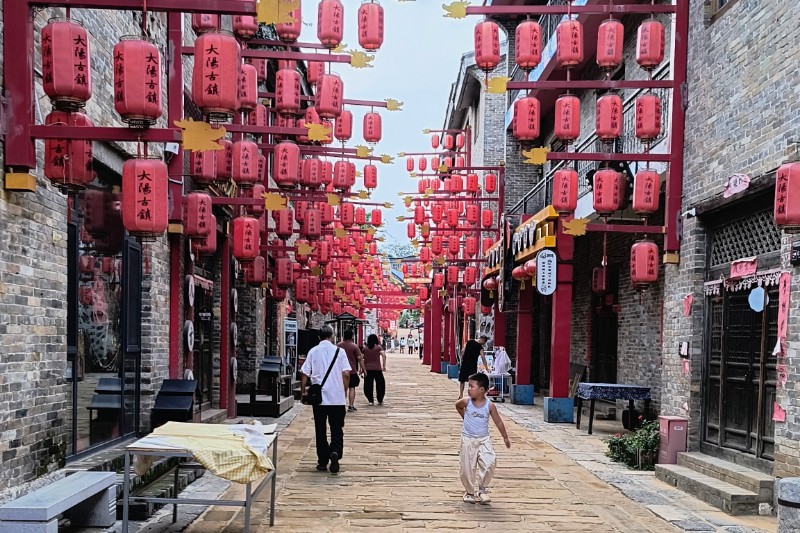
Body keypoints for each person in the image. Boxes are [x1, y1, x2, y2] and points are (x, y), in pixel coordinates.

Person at [300, 326, 351, 474]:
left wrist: (303, 392)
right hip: (337, 398)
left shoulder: (313, 351)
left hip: (319, 399)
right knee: (337, 428)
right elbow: (346, 373)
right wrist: (344, 391)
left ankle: (322, 461)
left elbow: (304, 373)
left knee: (320, 429)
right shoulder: (339, 352)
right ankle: (335, 451)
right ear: (332, 336)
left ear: (319, 337)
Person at [455, 373, 511, 504]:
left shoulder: (489, 405)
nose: (469, 389)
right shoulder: (466, 401)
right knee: (467, 467)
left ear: (482, 390)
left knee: (490, 462)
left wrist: (505, 437)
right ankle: (469, 492)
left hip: (484, 439)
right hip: (468, 439)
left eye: (472, 387)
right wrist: (466, 418)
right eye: (468, 386)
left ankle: (483, 488)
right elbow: (457, 405)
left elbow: (498, 422)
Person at [337, 329, 365, 413]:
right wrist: (363, 368)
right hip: (351, 370)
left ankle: (340, 404)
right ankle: (351, 405)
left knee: (340, 388)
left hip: (340, 370)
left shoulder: (338, 345)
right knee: (352, 388)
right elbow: (360, 358)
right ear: (352, 336)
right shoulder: (354, 346)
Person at [458, 335, 490, 400]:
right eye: (484, 343)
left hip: (465, 363)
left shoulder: (469, 342)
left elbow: (463, 351)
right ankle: (469, 396)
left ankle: (461, 395)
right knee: (472, 381)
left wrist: (461, 359)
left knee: (462, 380)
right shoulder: (480, 348)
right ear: (483, 341)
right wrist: (486, 367)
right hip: (472, 365)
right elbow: (483, 358)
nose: (483, 344)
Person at [362, 333, 387, 406]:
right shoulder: (378, 347)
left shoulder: (365, 349)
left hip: (368, 369)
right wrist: (384, 366)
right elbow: (384, 355)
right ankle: (380, 399)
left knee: (368, 385)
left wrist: (362, 368)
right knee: (380, 384)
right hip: (377, 369)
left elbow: (361, 358)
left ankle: (370, 400)